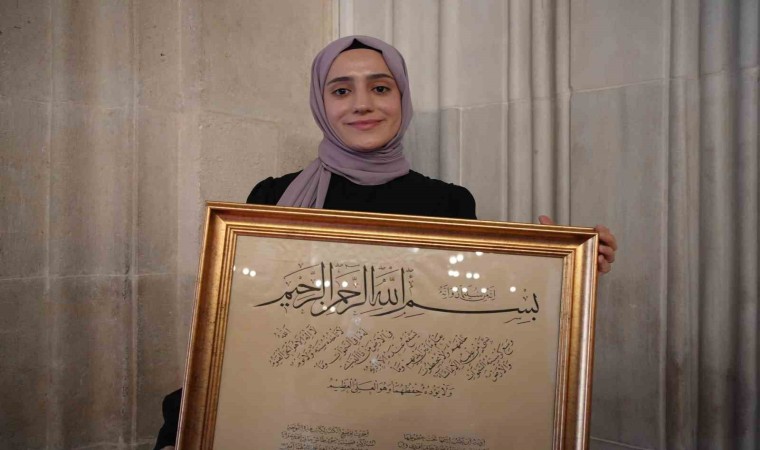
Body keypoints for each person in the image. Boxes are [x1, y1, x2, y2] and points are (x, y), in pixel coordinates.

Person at [153, 35, 617, 449]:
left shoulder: (448, 203)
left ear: (402, 98)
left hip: (407, 417)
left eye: (380, 88)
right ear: (320, 103)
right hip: (295, 417)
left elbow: (473, 317)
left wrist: (563, 268)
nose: (362, 104)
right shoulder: (274, 198)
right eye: (341, 91)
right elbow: (240, 328)